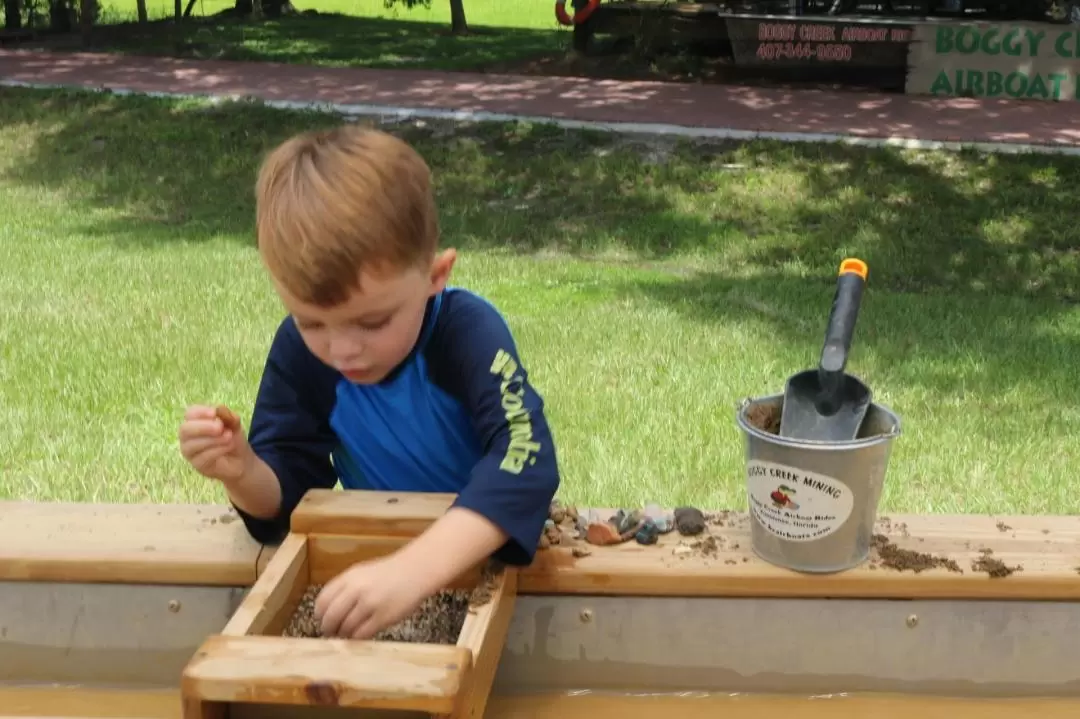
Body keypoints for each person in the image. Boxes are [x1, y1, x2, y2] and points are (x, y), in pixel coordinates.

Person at [177, 125, 560, 641]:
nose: (341, 350)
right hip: (372, 553)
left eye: (372, 322)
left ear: (435, 275)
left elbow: (525, 458)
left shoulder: (466, 331)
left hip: (484, 553)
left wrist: (412, 572)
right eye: (311, 322)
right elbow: (289, 496)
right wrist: (242, 471)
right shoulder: (299, 352)